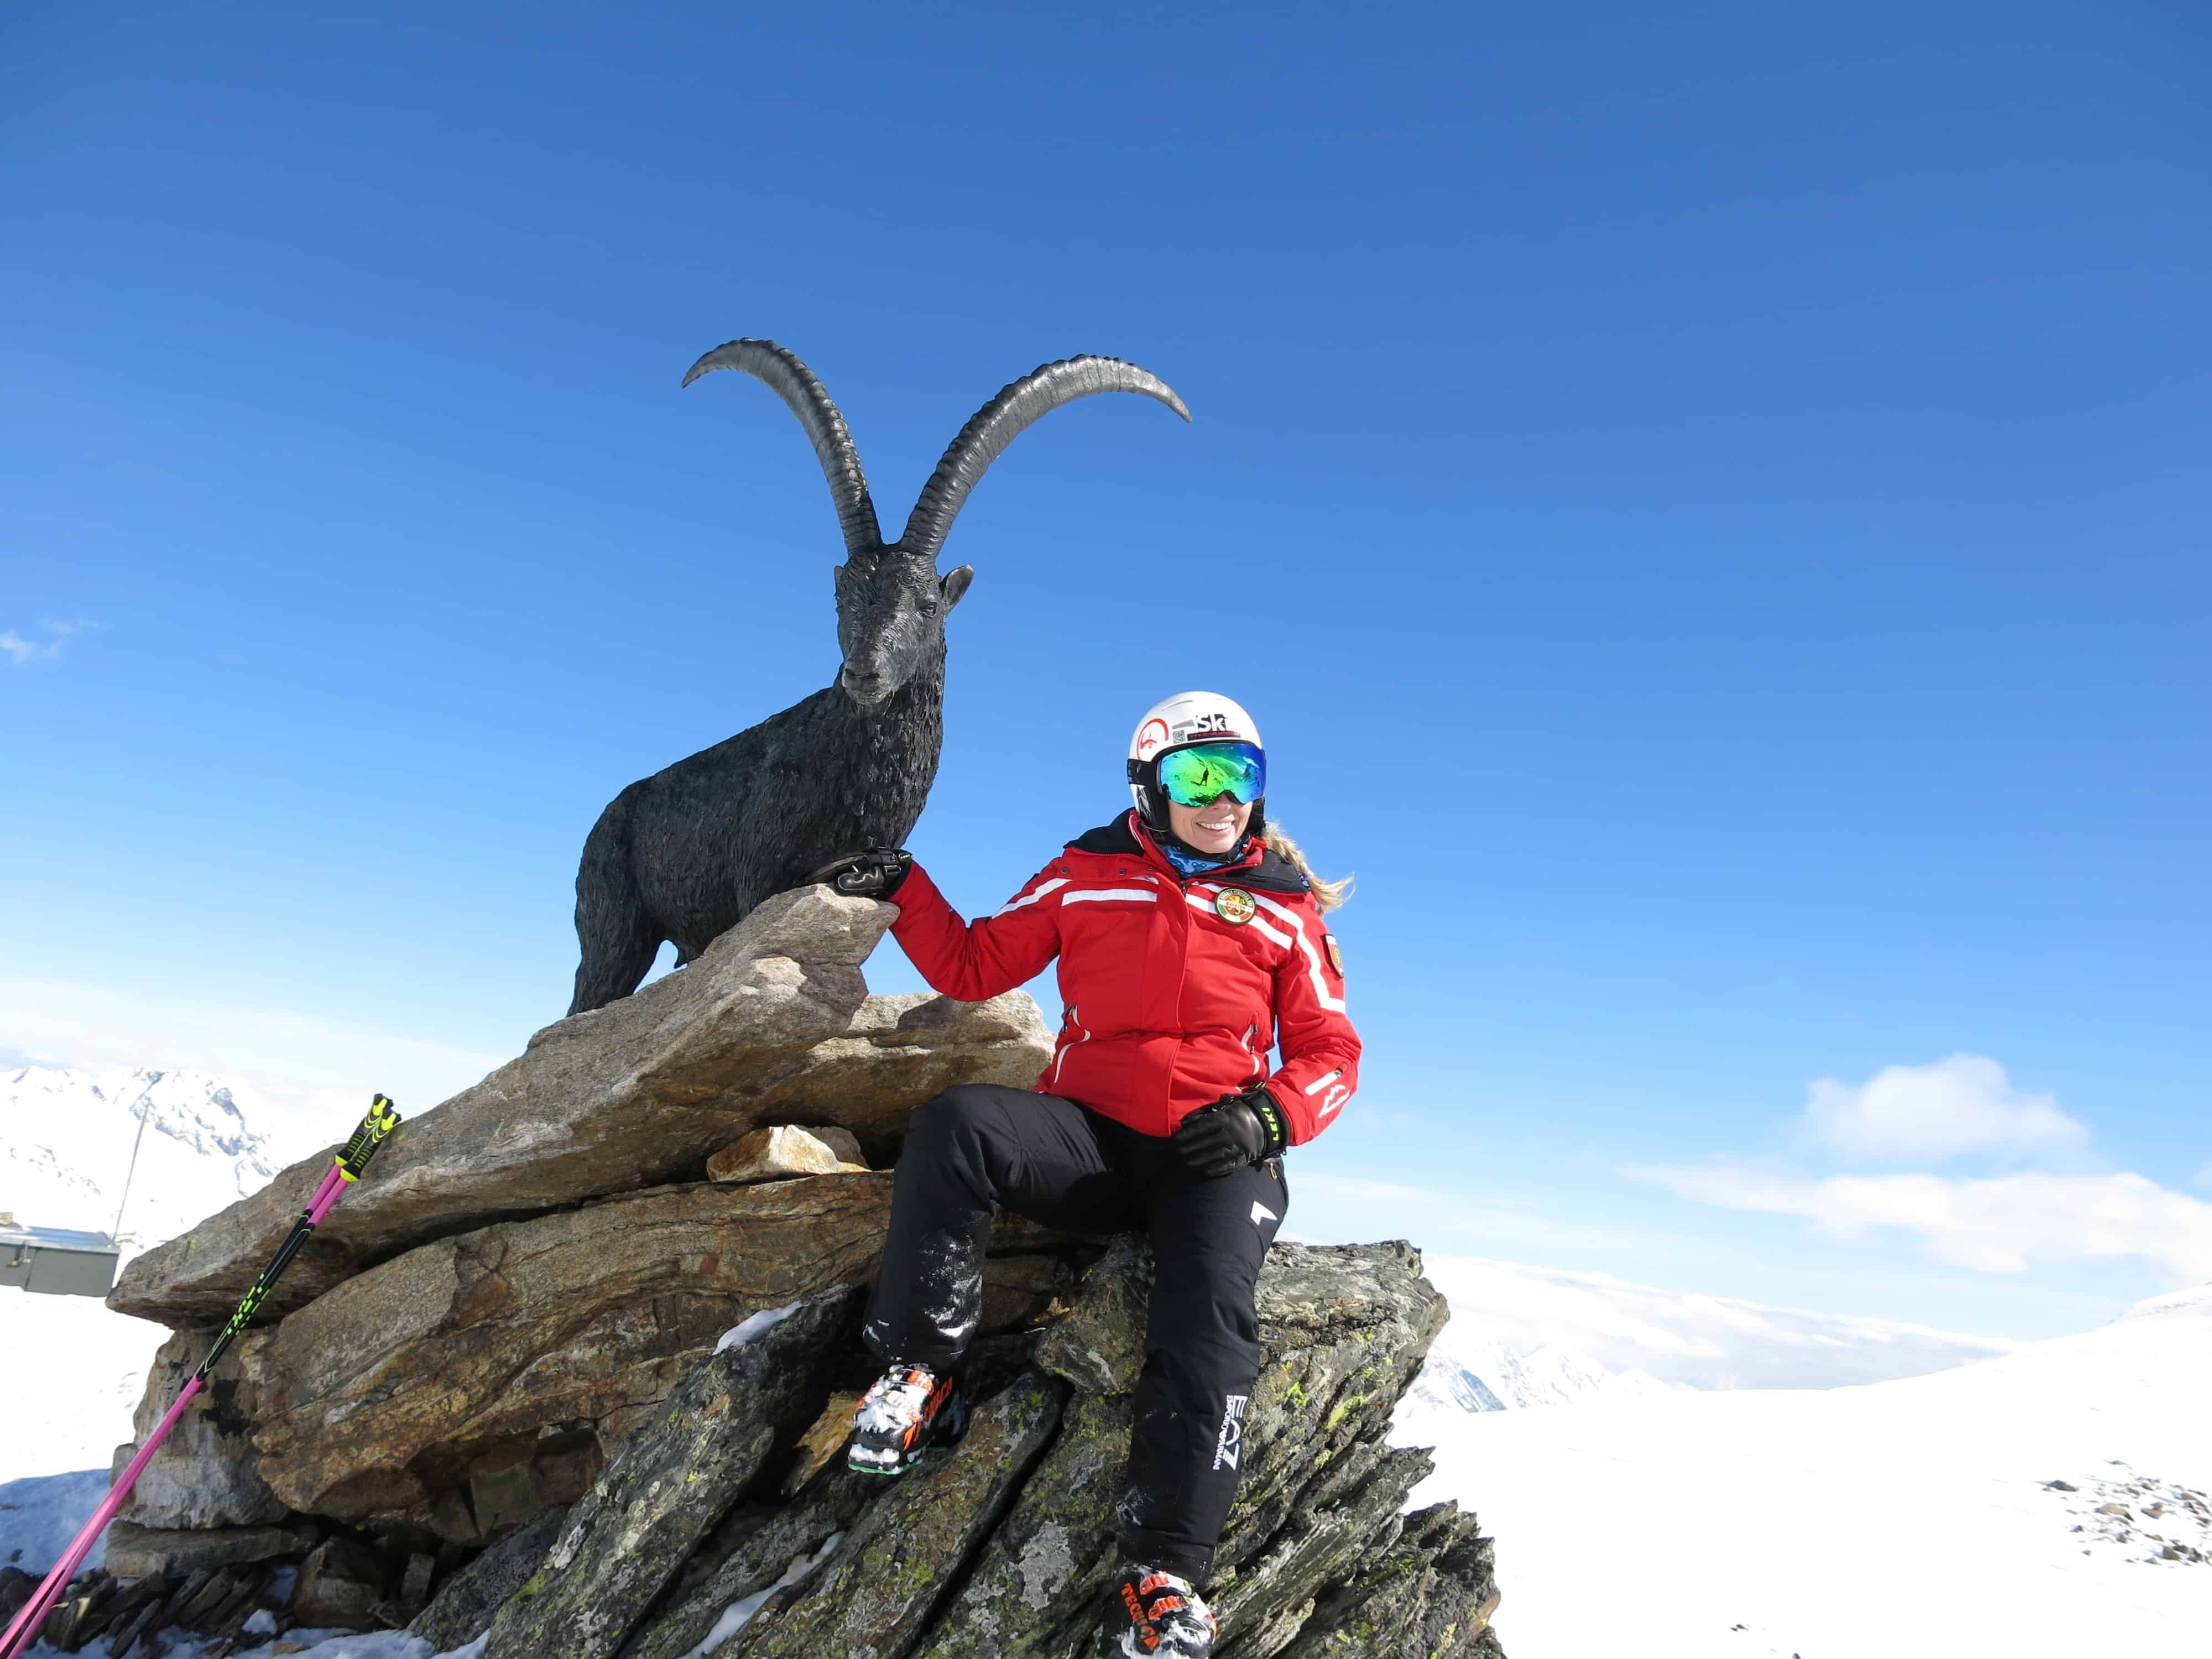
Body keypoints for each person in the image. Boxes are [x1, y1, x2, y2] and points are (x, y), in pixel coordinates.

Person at [810, 690, 1359, 1659]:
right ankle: (922, 1373)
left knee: (1209, 1317)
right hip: (1093, 1142)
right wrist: (906, 887)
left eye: (1242, 775)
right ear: (1149, 783)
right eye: (1198, 776)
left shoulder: (1284, 910)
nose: (1222, 797)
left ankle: (1164, 1572)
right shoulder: (1085, 873)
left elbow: (1330, 1051)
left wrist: (1264, 1117)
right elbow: (978, 965)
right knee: (956, 1125)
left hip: (1213, 1160)